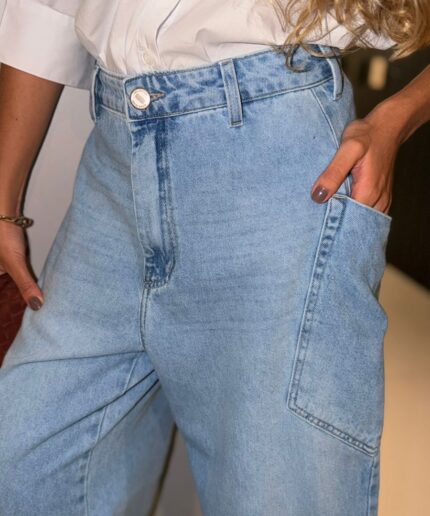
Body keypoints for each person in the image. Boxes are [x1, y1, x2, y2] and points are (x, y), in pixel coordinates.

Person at [0, 1, 429, 514]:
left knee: (276, 494)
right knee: (23, 464)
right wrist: (3, 199)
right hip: (112, 173)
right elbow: (44, 13)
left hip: (276, 172)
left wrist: (394, 120)